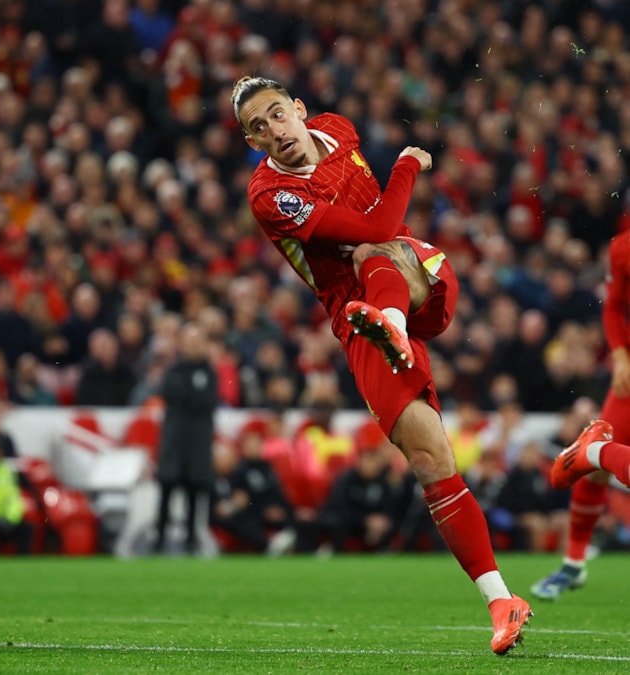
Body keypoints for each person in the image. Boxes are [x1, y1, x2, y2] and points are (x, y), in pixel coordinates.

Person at [234, 75, 546, 655]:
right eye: (258, 128)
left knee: (371, 252)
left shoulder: (338, 128)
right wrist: (408, 163)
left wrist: (398, 183)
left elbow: (380, 234)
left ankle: (394, 328)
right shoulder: (270, 195)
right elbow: (377, 219)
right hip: (355, 318)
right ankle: (502, 600)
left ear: (300, 110)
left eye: (277, 114)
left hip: (415, 274)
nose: (273, 132)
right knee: (431, 459)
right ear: (254, 144)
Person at [532, 230, 630, 600]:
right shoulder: (623, 247)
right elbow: (613, 306)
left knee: (596, 462)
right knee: (592, 476)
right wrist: (620, 354)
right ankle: (573, 564)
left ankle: (593, 451)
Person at [152, 321, 218, 554]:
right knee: (166, 491)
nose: (193, 346)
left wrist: (188, 398)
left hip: (197, 443)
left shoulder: (209, 372)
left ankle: (191, 541)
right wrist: (192, 397)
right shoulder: (174, 371)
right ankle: (158, 539)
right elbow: (170, 394)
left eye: (197, 341)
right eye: (189, 341)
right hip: (174, 442)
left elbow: (207, 400)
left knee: (193, 493)